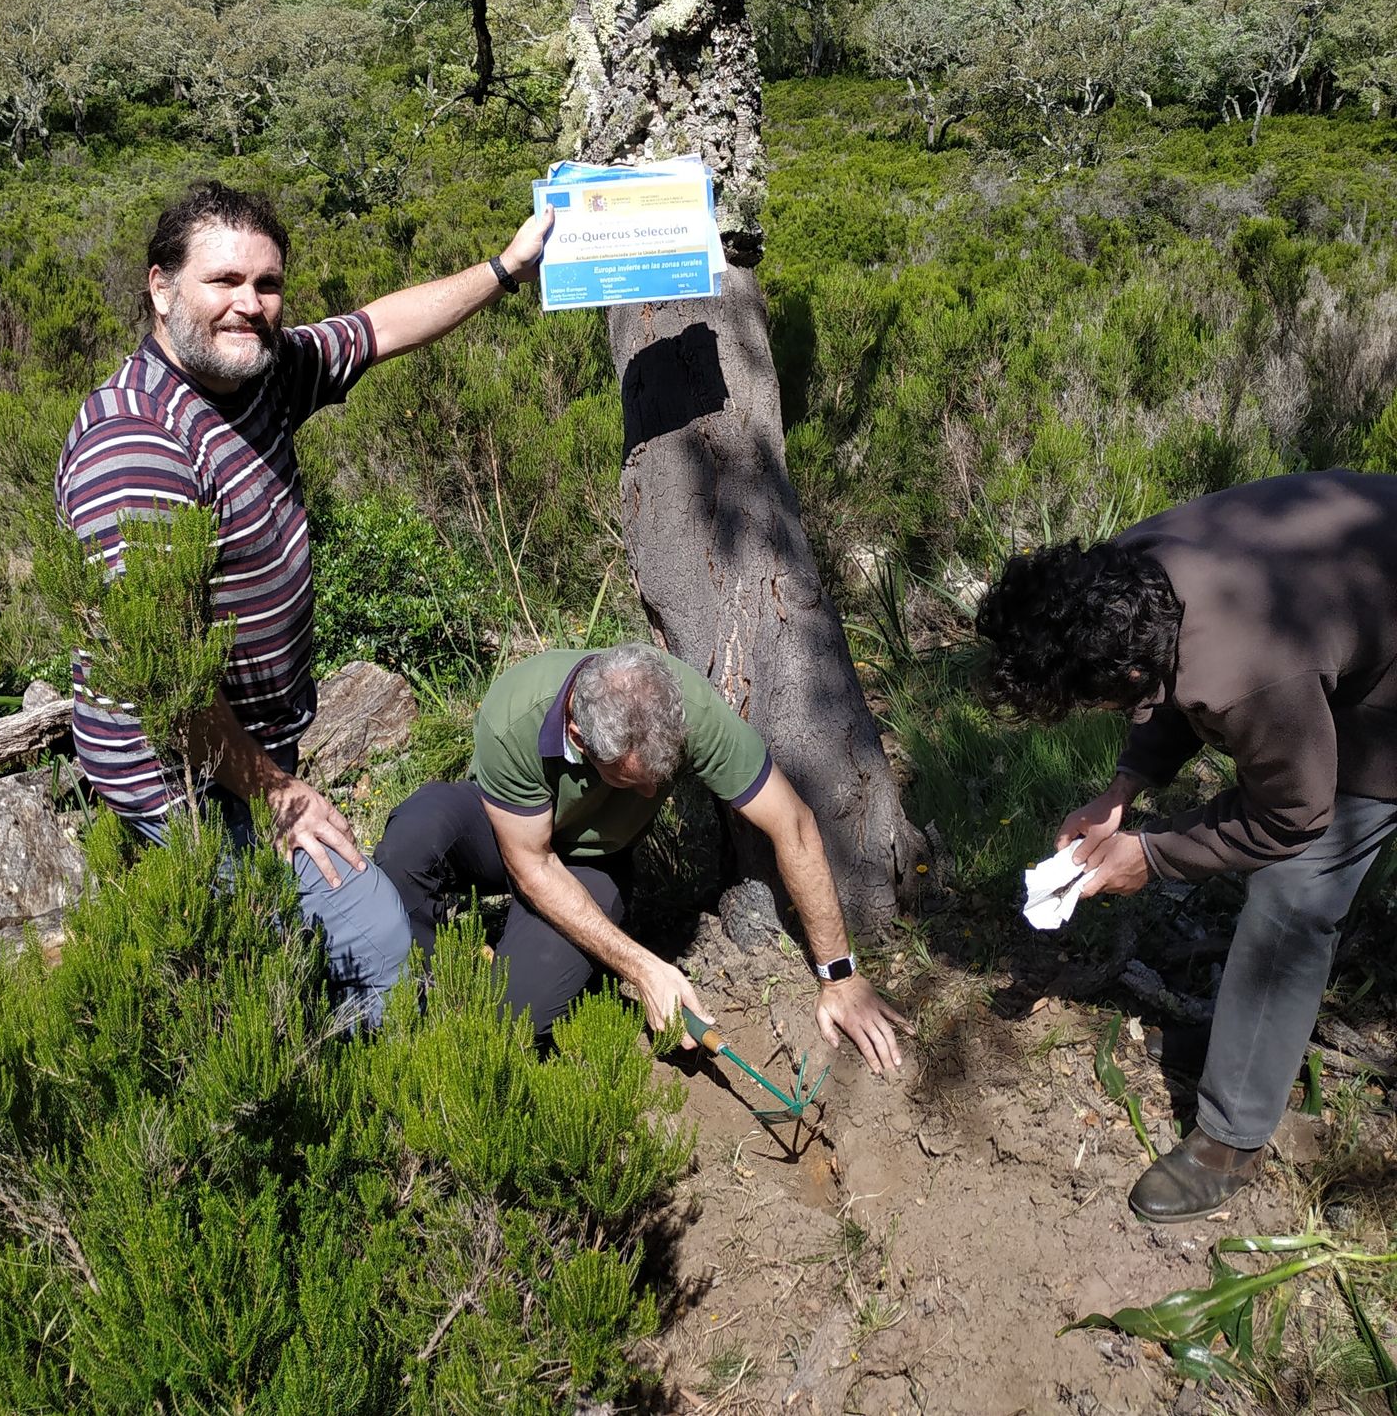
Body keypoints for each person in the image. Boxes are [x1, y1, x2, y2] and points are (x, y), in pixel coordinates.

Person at [56, 177, 550, 1024]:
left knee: (264, 943)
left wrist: (508, 265)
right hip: (180, 769)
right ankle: (358, 1113)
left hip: (246, 745)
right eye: (224, 281)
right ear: (161, 285)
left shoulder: (261, 374)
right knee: (373, 936)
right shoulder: (137, 441)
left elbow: (378, 326)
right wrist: (277, 791)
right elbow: (171, 690)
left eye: (267, 283)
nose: (249, 304)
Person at [977, 469, 1397, 1220]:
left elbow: (1294, 814)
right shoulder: (1127, 571)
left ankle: (1232, 1140)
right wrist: (1122, 789)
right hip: (1364, 589)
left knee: (1292, 891)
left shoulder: (1253, 666)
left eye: (1094, 702)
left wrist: (1154, 855)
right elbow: (1166, 671)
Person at [374, 642, 907, 1071]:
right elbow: (530, 865)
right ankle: (405, 993)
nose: (652, 797)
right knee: (415, 835)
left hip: (591, 861)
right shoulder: (515, 713)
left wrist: (839, 976)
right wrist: (646, 969)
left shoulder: (689, 709)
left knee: (512, 1020)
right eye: (633, 781)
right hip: (509, 834)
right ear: (580, 738)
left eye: (661, 778)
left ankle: (484, 982)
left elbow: (793, 822)